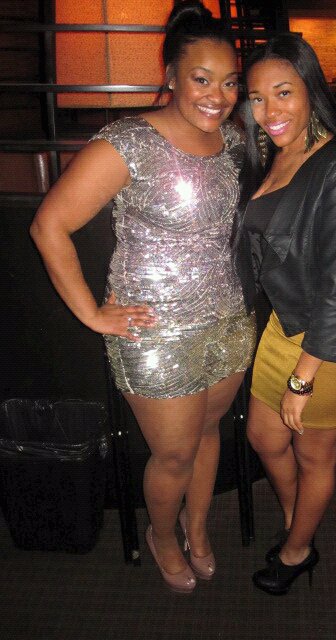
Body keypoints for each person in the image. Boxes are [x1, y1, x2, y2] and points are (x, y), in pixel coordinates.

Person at [30, 1, 256, 593]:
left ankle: (197, 527)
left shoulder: (234, 142)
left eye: (229, 82)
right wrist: (91, 313)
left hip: (226, 320)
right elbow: (49, 225)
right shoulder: (129, 142)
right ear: (172, 77)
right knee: (174, 454)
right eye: (202, 79)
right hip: (154, 330)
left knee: (209, 433)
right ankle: (162, 535)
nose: (217, 96)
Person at [232, 33, 336, 595]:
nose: (269, 110)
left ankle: (297, 551)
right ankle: (302, 518)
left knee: (314, 451)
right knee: (264, 437)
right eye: (257, 97)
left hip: (333, 334)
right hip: (286, 321)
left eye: (283, 92)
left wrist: (303, 378)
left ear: (311, 91)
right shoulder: (276, 152)